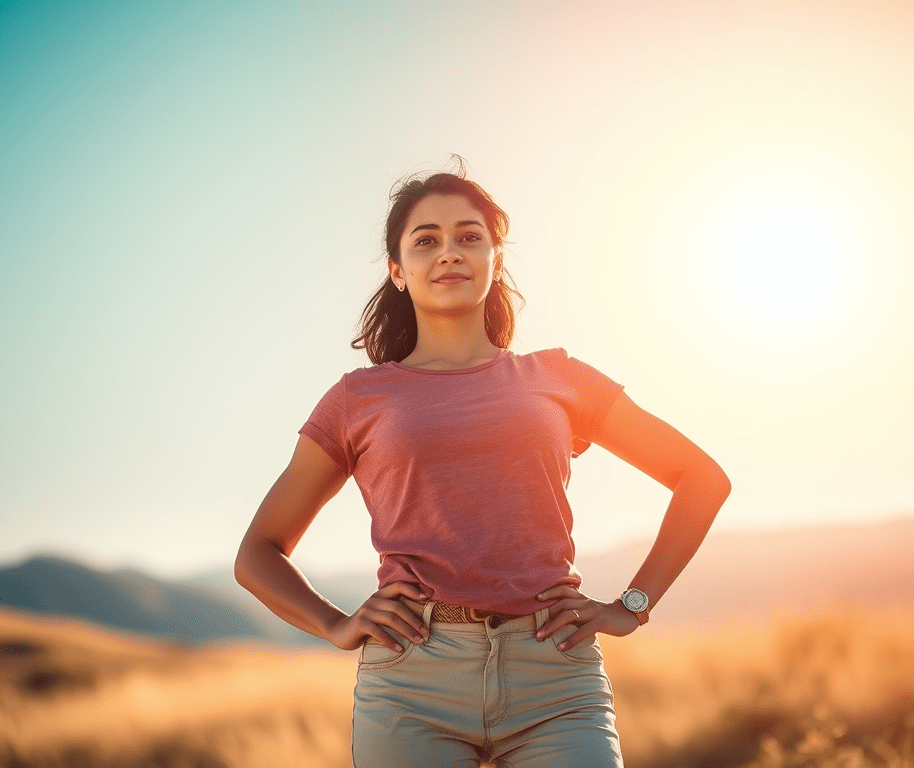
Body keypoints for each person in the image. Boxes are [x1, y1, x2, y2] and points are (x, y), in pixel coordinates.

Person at [234, 161, 731, 768]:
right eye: (427, 240)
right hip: (413, 683)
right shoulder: (358, 399)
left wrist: (632, 604)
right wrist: (334, 624)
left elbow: (702, 480)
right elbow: (257, 553)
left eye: (470, 237)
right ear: (398, 271)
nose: (450, 252)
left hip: (555, 677)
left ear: (495, 258)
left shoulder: (559, 379)